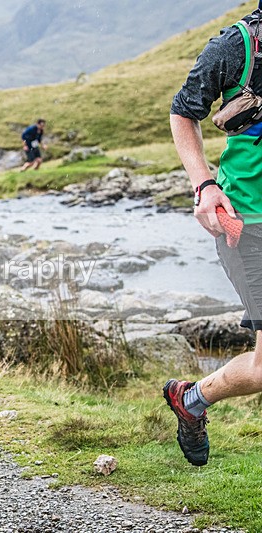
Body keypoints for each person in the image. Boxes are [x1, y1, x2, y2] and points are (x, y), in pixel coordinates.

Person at [165, 3, 262, 466]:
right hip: (247, 223)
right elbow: (183, 111)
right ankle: (194, 398)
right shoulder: (236, 46)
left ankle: (192, 399)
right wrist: (204, 185)